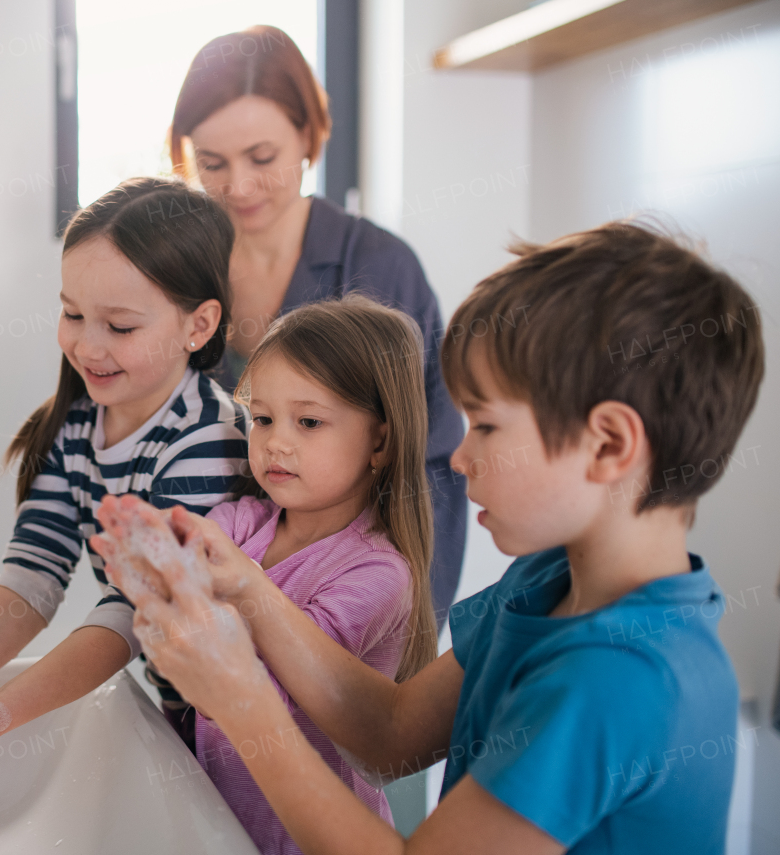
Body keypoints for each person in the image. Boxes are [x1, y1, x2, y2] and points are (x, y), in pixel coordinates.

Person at [98, 222, 763, 854]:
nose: (459, 456)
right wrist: (247, 587)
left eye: (488, 427)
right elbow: (390, 736)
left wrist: (240, 699)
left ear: (609, 443)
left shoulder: (618, 679)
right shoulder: (545, 581)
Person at [0, 178, 251, 779]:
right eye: (72, 313)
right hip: (187, 707)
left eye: (121, 326)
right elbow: (32, 577)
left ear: (199, 325)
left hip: (251, 727)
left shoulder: (207, 441)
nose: (86, 344)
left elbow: (134, 615)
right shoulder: (77, 425)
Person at [96, 297, 438, 854]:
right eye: (262, 419)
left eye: (308, 422)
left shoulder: (378, 573)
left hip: (311, 832)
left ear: (380, 440)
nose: (276, 441)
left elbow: (262, 683)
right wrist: (152, 564)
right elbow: (183, 623)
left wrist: (199, 597)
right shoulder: (241, 521)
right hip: (223, 818)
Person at [169, 25, 466, 621]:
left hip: (350, 604)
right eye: (212, 163)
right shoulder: (178, 271)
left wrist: (396, 637)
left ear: (308, 135)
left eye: (262, 158)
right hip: (211, 592)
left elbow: (425, 463)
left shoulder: (377, 266)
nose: (239, 186)